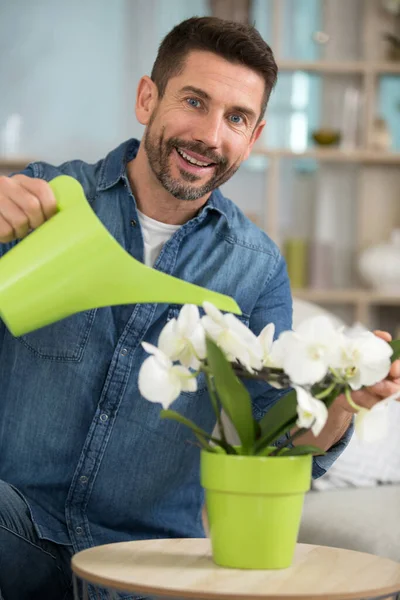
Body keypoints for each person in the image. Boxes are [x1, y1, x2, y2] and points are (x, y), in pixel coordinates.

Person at [0, 16, 399, 600]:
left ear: (254, 136)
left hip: (153, 562)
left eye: (236, 118)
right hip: (17, 531)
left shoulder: (257, 269)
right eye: (194, 101)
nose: (211, 136)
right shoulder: (45, 201)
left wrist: (338, 405)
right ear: (147, 98)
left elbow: (276, 447)